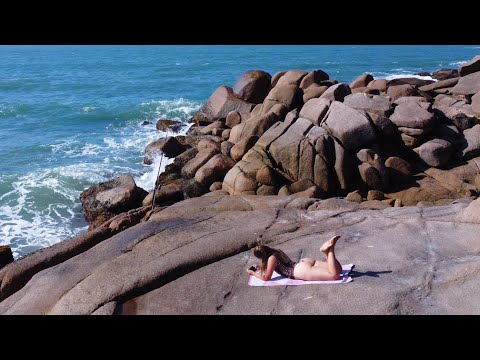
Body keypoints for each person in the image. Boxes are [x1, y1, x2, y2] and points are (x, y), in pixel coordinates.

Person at [247, 235, 342, 281]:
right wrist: (260, 267)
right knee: (339, 269)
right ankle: (326, 253)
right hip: (303, 262)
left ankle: (330, 250)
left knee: (334, 275)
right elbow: (274, 265)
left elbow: (266, 278)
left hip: (299, 271)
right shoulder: (276, 251)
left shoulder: (271, 259)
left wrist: (253, 273)